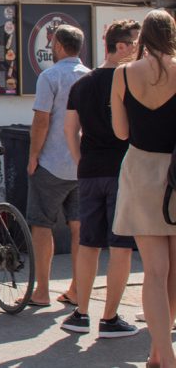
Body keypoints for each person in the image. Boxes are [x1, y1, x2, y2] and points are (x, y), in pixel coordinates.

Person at [59, 20, 140, 337]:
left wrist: (80, 160)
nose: (136, 48)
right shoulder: (131, 80)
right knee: (120, 247)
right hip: (122, 170)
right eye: (133, 43)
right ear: (119, 47)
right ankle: (110, 318)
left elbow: (70, 128)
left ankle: (80, 313)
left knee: (89, 243)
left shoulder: (81, 84)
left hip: (90, 170)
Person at [111, 9, 176, 368]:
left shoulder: (123, 73)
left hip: (140, 170)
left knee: (154, 270)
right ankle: (158, 352)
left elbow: (121, 133)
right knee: (174, 270)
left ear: (143, 38)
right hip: (175, 172)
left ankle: (163, 354)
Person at [27, 24, 88, 307]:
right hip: (83, 164)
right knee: (79, 228)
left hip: (51, 162)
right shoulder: (92, 77)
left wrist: (33, 155)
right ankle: (77, 289)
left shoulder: (50, 77)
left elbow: (42, 120)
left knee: (42, 225)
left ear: (60, 47)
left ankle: (42, 291)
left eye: (52, 44)